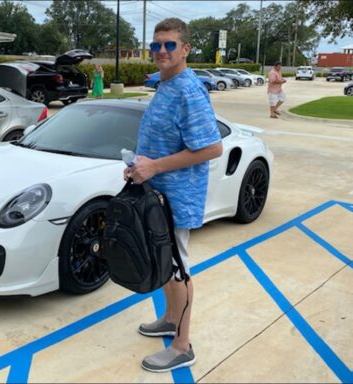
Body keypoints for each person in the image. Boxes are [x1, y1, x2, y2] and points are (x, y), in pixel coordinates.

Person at [123, 18, 222, 372]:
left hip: (177, 198)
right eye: (156, 45)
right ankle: (169, 318)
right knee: (165, 264)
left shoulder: (188, 91)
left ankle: (182, 347)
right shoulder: (165, 85)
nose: (161, 51)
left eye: (169, 45)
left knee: (178, 269)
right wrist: (139, 167)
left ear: (185, 49)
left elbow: (212, 148)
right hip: (156, 194)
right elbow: (160, 142)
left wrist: (155, 167)